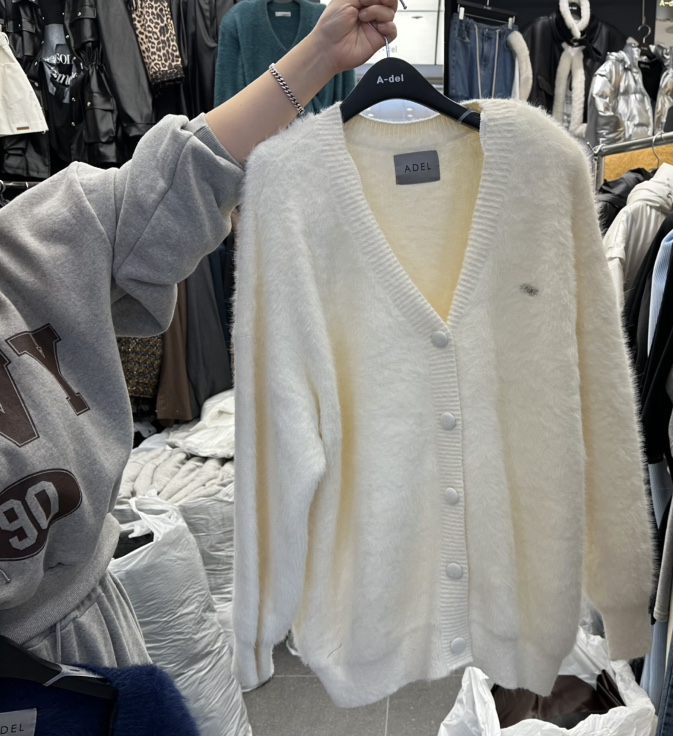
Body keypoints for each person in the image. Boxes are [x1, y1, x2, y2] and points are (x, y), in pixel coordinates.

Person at [0, 0, 398, 667]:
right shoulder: (239, 22)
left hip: (89, 643)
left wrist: (323, 52)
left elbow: (179, 176)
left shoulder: (23, 253)